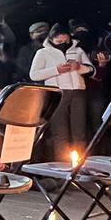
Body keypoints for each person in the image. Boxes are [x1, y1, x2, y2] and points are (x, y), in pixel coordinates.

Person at [28, 24, 92, 160]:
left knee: (79, 132)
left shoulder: (78, 50)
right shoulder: (43, 53)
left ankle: (79, 165)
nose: (63, 44)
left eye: (66, 41)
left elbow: (91, 69)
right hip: (58, 94)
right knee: (60, 132)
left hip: (78, 92)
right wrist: (56, 70)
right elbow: (34, 75)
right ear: (52, 39)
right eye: (59, 42)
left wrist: (79, 67)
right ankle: (62, 165)